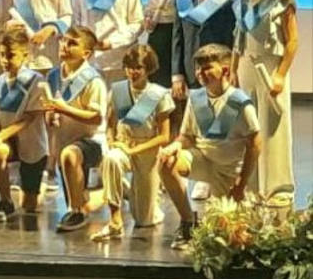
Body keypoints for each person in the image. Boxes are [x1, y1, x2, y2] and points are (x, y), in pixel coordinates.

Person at [158, 43, 260, 249]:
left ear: (224, 70)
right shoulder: (196, 98)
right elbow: (187, 136)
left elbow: (255, 143)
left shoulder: (240, 102)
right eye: (198, 68)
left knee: (228, 238)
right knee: (166, 163)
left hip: (229, 171)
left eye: (206, 68)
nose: (199, 73)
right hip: (202, 160)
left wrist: (241, 184)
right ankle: (188, 221)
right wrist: (175, 146)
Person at [232, 0, 297, 205]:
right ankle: (251, 185)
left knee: (272, 127)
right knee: (249, 127)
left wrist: (280, 75)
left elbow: (292, 43)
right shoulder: (242, 2)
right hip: (245, 68)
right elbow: (238, 40)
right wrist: (232, 69)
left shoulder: (283, 4)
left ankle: (278, 187)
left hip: (271, 70)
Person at [171, 0, 235, 201]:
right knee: (195, 124)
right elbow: (178, 38)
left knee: (216, 125)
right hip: (190, 70)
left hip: (217, 71)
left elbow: (231, 39)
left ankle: (214, 176)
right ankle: (199, 175)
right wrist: (177, 73)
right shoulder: (183, 0)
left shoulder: (227, 0)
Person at [91, 45, 174, 241]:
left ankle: (129, 190)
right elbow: (110, 124)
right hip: (123, 145)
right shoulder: (118, 90)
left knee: (145, 219)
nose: (132, 72)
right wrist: (112, 142)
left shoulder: (159, 94)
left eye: (138, 67)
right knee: (111, 160)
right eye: (129, 67)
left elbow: (164, 136)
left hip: (147, 149)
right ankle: (115, 221)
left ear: (148, 69)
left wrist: (135, 149)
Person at [43, 26, 108, 232]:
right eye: (64, 40)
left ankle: (78, 212)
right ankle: (107, 191)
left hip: (91, 142)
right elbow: (49, 108)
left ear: (86, 54)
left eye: (72, 43)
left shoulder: (93, 80)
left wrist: (64, 109)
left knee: (70, 155)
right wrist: (51, 115)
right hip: (64, 139)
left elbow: (96, 118)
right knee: (80, 190)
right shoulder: (53, 76)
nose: (64, 46)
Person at [0, 26, 49, 217]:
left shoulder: (36, 81)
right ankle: (5, 200)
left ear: (25, 55)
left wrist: (1, 135)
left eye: (11, 55)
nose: (5, 60)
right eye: (2, 55)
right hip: (9, 143)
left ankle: (40, 185)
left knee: (29, 206)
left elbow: (29, 118)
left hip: (32, 146)